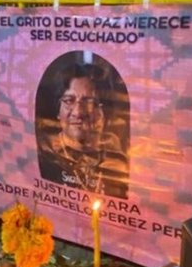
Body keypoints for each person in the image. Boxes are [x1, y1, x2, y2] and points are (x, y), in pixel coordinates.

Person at [36, 59, 129, 199]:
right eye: (68, 101)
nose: (78, 112)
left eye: (89, 102)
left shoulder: (120, 164)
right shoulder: (43, 156)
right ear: (57, 111)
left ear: (104, 112)